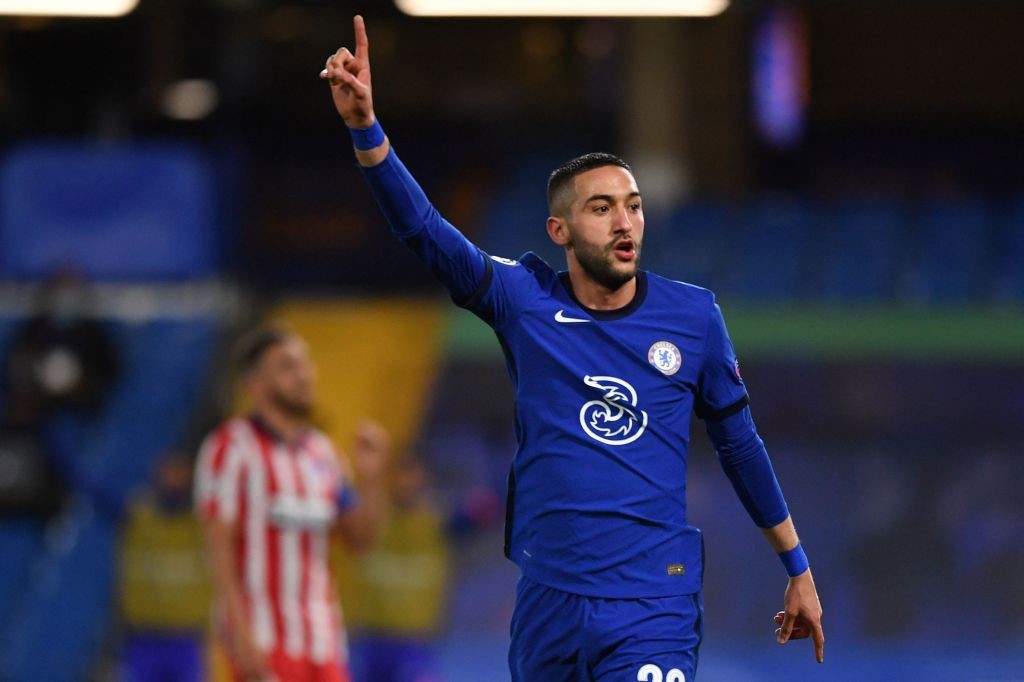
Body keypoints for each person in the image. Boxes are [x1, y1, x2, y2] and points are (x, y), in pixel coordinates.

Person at [321, 16, 824, 680]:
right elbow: (425, 233)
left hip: (653, 600)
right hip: (548, 603)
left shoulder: (693, 316)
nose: (626, 221)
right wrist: (366, 130)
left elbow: (739, 445)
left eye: (635, 205)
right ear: (560, 228)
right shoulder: (524, 300)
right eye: (603, 207)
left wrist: (797, 566)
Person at [194, 325, 388, 682]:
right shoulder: (230, 449)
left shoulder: (325, 454)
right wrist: (241, 635)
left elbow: (361, 540)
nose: (304, 375)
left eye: (305, 364)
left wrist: (371, 479)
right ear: (255, 385)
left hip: (324, 645)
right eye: (287, 367)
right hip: (264, 644)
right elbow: (218, 547)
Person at [119, 450, 211, 682]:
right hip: (143, 637)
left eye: (180, 473)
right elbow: (90, 487)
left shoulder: (204, 524)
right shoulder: (136, 518)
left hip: (188, 639)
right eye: (169, 472)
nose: (174, 479)